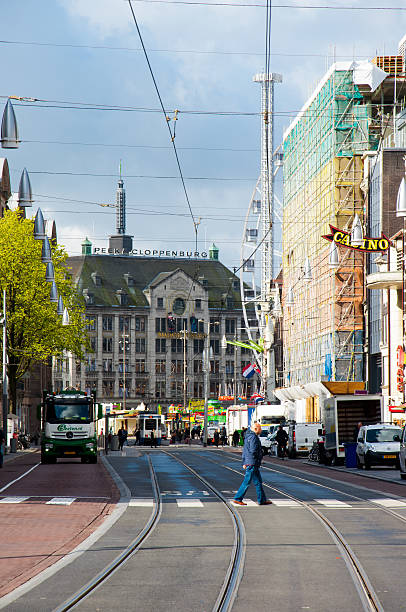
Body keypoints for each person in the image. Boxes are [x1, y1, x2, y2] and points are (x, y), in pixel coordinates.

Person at [233, 422, 272, 506]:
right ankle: (238, 498)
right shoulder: (253, 437)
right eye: (260, 428)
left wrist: (244, 462)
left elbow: (245, 451)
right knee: (247, 481)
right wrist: (259, 456)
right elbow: (253, 450)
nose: (261, 430)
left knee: (258, 482)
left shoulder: (248, 437)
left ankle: (262, 499)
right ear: (255, 429)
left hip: (251, 462)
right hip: (252, 463)